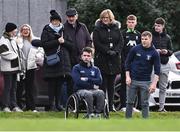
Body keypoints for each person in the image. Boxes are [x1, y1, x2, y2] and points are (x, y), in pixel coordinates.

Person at [41, 10, 73, 111]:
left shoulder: (64, 31)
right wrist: (57, 42)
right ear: (51, 21)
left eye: (57, 21)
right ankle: (51, 104)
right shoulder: (46, 30)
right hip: (52, 61)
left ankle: (58, 105)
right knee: (51, 85)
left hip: (63, 62)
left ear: (60, 21)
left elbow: (72, 46)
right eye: (53, 21)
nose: (55, 22)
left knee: (59, 84)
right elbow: (44, 44)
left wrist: (63, 42)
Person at [93, 9, 123, 111]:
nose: (105, 20)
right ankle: (101, 106)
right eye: (104, 18)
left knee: (112, 86)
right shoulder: (97, 29)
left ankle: (111, 106)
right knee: (102, 85)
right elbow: (97, 43)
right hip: (102, 60)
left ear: (111, 19)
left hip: (114, 60)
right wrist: (107, 51)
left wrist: (115, 51)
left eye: (107, 18)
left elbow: (120, 42)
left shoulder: (116, 29)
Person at [125, 31, 160, 118]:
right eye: (142, 39)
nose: (144, 41)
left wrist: (154, 84)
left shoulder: (154, 53)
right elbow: (127, 63)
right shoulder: (135, 49)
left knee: (144, 103)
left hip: (145, 81)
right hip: (132, 80)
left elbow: (157, 70)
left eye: (146, 39)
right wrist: (127, 76)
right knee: (129, 102)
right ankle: (127, 122)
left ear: (150, 39)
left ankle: (145, 124)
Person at [16, 24, 44, 112]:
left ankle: (31, 107)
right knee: (19, 88)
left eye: (27, 29)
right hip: (20, 67)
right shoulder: (17, 40)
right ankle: (18, 107)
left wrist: (38, 56)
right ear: (21, 31)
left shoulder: (35, 40)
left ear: (30, 30)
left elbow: (41, 50)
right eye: (23, 29)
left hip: (31, 67)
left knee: (30, 88)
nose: (25, 31)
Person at [71, 47, 105, 118]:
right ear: (81, 56)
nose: (86, 57)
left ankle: (98, 114)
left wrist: (87, 79)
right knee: (88, 93)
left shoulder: (96, 69)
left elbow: (100, 81)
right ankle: (90, 113)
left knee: (101, 92)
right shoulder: (76, 68)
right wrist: (92, 85)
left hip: (93, 90)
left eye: (88, 56)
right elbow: (78, 82)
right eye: (84, 55)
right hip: (80, 90)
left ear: (91, 57)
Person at [120, 14, 141, 112]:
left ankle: (133, 106)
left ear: (136, 23)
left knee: (135, 85)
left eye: (133, 22)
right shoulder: (122, 34)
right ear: (126, 23)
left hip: (136, 65)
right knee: (125, 84)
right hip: (125, 63)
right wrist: (124, 62)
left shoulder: (139, 35)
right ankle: (124, 105)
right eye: (129, 22)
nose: (131, 24)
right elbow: (120, 49)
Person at [0, 22, 23, 112]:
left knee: (14, 88)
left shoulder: (12, 39)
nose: (16, 31)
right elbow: (3, 53)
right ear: (10, 31)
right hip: (7, 68)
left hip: (14, 68)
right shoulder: (3, 40)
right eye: (14, 30)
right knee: (7, 87)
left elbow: (18, 51)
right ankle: (5, 106)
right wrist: (16, 56)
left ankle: (14, 105)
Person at [152, 17, 173, 112]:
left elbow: (171, 51)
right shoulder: (151, 36)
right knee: (150, 85)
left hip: (164, 64)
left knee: (163, 87)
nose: (156, 27)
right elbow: (146, 48)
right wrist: (154, 51)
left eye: (158, 26)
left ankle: (161, 107)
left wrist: (166, 51)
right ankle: (146, 106)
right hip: (152, 64)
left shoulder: (168, 37)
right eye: (155, 25)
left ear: (163, 26)